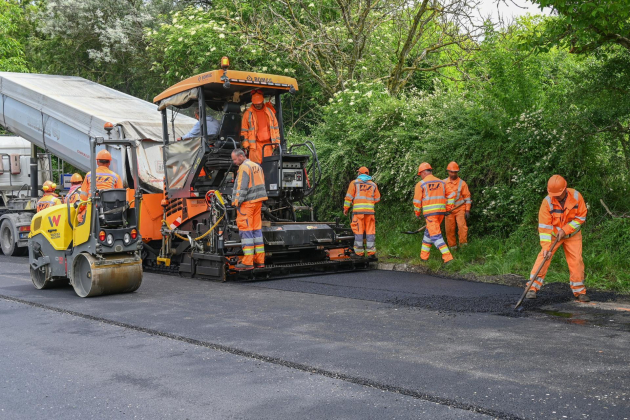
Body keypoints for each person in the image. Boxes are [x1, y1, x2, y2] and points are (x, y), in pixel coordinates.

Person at [525, 175, 589, 302]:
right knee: (544, 256)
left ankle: (580, 291)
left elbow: (581, 217)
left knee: (576, 262)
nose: (556, 197)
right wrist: (545, 247)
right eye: (553, 194)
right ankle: (531, 288)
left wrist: (565, 230)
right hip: (554, 236)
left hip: (572, 235)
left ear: (565, 189)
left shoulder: (576, 196)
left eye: (558, 194)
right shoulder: (547, 202)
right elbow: (544, 227)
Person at [231, 148, 268, 270]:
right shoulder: (257, 166)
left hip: (247, 204)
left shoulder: (244, 168)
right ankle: (260, 260)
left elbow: (242, 187)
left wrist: (236, 202)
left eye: (235, 159)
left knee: (246, 231)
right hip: (258, 203)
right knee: (256, 231)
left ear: (241, 156)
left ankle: (247, 262)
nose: (234, 162)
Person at [413, 162, 453, 264]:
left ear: (423, 172)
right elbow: (452, 194)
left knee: (436, 236)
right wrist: (448, 208)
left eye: (420, 174)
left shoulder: (421, 184)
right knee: (428, 234)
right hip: (441, 213)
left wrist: (417, 213)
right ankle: (423, 257)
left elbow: (417, 202)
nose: (420, 176)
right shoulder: (442, 182)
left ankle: (448, 258)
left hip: (430, 215)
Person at [343, 167, 381, 257]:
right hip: (370, 213)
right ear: (367, 174)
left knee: (359, 231)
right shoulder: (373, 185)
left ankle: (359, 253)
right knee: (370, 232)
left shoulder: (354, 183)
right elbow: (377, 198)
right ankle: (371, 253)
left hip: (358, 213)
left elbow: (349, 198)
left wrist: (346, 208)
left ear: (359, 173)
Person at [78, 150, 123, 223]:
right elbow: (121, 197)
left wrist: (80, 210)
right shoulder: (116, 177)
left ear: (97, 162)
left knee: (79, 219)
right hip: (110, 212)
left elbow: (83, 197)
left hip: (92, 209)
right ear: (109, 163)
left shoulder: (89, 175)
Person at [240, 89, 281, 164]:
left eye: (259, 103)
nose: (257, 105)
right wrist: (246, 144)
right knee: (255, 169)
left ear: (262, 101)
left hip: (268, 146)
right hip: (254, 147)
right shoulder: (248, 113)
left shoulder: (270, 112)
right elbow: (244, 131)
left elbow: (276, 128)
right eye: (255, 103)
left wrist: (277, 142)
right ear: (252, 102)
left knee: (268, 167)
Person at [443, 161, 472, 249]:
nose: (453, 174)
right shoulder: (443, 183)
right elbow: (440, 198)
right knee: (449, 229)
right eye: (451, 172)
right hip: (448, 211)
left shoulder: (462, 183)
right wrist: (443, 210)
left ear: (457, 172)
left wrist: (467, 210)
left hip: (460, 209)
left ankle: (464, 247)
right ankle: (453, 248)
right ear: (448, 172)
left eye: (455, 172)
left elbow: (467, 198)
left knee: (462, 227)